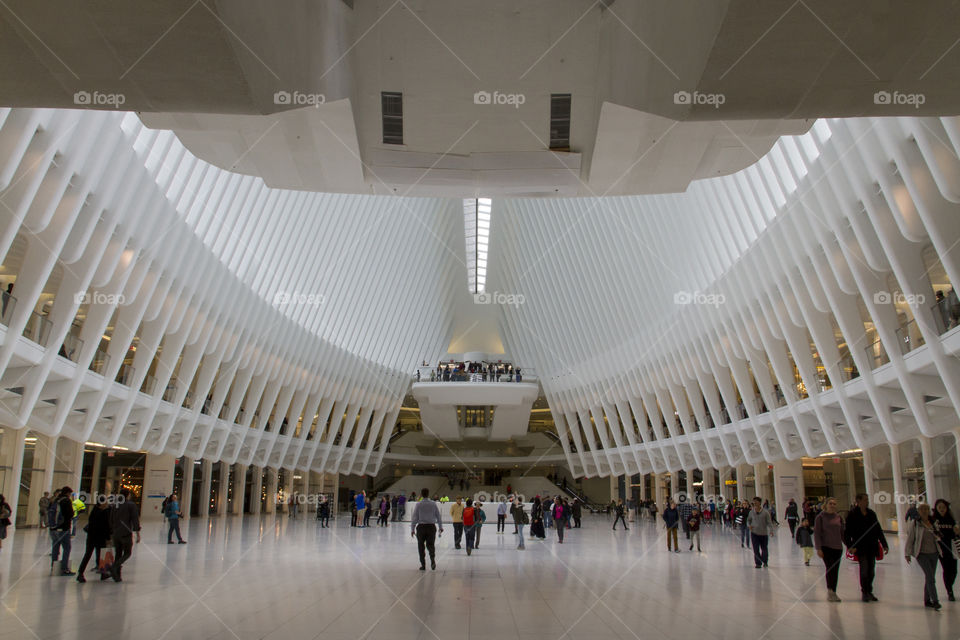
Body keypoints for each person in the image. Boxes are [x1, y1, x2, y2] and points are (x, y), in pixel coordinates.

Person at [844, 493, 887, 602]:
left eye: (867, 499)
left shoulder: (871, 514)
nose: (867, 501)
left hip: (872, 545)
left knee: (871, 571)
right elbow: (847, 532)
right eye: (865, 499)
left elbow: (878, 529)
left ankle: (869, 590)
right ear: (858, 501)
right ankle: (865, 591)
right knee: (864, 570)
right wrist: (850, 546)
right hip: (860, 547)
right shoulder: (852, 514)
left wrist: (884, 543)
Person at [905, 503, 944, 610]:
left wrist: (938, 535)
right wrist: (907, 553)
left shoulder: (933, 522)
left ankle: (927, 600)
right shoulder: (915, 523)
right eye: (922, 509)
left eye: (926, 509)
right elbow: (910, 539)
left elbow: (938, 536)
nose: (924, 511)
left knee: (929, 577)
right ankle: (935, 601)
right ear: (918, 511)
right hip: (922, 554)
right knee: (931, 577)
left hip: (934, 553)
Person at [814, 497, 844, 602]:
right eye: (830, 503)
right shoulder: (820, 517)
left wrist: (850, 545)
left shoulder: (838, 517)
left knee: (835, 570)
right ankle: (830, 591)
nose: (832, 505)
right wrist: (818, 548)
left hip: (838, 548)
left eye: (834, 504)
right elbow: (817, 533)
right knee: (830, 568)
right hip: (826, 547)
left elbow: (842, 533)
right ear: (826, 505)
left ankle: (833, 591)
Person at [76, 499, 112, 582]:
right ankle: (103, 573)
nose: (106, 504)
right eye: (105, 503)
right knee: (101, 555)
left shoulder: (93, 511)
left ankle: (81, 573)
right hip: (100, 537)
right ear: (101, 504)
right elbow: (105, 527)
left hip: (91, 537)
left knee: (88, 555)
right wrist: (108, 538)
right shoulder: (104, 513)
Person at [109, 487, 141, 582]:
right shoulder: (130, 505)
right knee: (127, 553)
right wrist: (137, 533)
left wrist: (112, 531)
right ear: (128, 495)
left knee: (118, 554)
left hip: (116, 533)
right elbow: (135, 519)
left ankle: (117, 576)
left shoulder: (115, 505)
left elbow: (111, 519)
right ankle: (114, 567)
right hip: (125, 533)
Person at [932, 499, 959, 601]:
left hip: (953, 549)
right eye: (939, 508)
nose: (942, 509)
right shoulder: (935, 521)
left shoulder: (951, 520)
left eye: (943, 507)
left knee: (954, 571)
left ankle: (950, 585)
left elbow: (956, 534)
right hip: (942, 550)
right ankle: (950, 591)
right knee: (946, 570)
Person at [411, 488, 443, 570]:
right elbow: (438, 516)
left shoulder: (418, 504)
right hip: (431, 527)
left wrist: (412, 529)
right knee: (431, 545)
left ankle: (423, 564)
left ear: (421, 494)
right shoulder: (433, 504)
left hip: (421, 528)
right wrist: (440, 527)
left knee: (421, 546)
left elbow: (414, 517)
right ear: (428, 494)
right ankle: (432, 560)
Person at [51, 486, 75, 576]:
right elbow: (70, 514)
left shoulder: (55, 500)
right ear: (68, 493)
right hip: (63, 528)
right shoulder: (66, 501)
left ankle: (53, 566)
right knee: (67, 548)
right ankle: (64, 568)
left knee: (55, 547)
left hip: (53, 528)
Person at [747, 496, 774, 569]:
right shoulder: (751, 512)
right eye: (754, 502)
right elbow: (748, 520)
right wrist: (749, 525)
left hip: (763, 534)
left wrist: (771, 531)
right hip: (754, 533)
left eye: (756, 501)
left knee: (764, 548)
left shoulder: (765, 512)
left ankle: (765, 561)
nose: (755, 503)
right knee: (756, 549)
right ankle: (758, 563)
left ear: (760, 503)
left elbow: (769, 522)